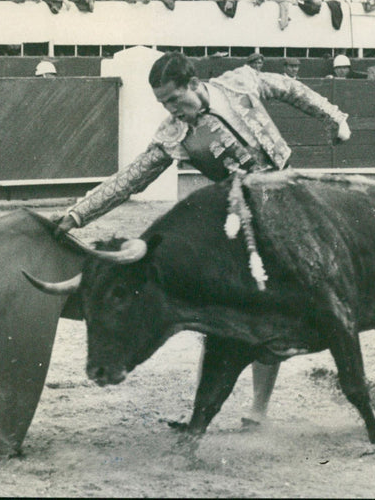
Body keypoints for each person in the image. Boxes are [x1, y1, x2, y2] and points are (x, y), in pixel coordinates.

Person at [54, 52, 351, 427]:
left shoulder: (240, 82)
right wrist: (78, 214)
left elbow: (291, 89)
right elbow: (131, 178)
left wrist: (335, 118)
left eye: (174, 99)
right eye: (163, 103)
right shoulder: (173, 134)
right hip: (240, 219)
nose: (171, 110)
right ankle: (229, 411)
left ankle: (262, 402)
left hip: (290, 197)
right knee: (237, 312)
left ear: (194, 84)